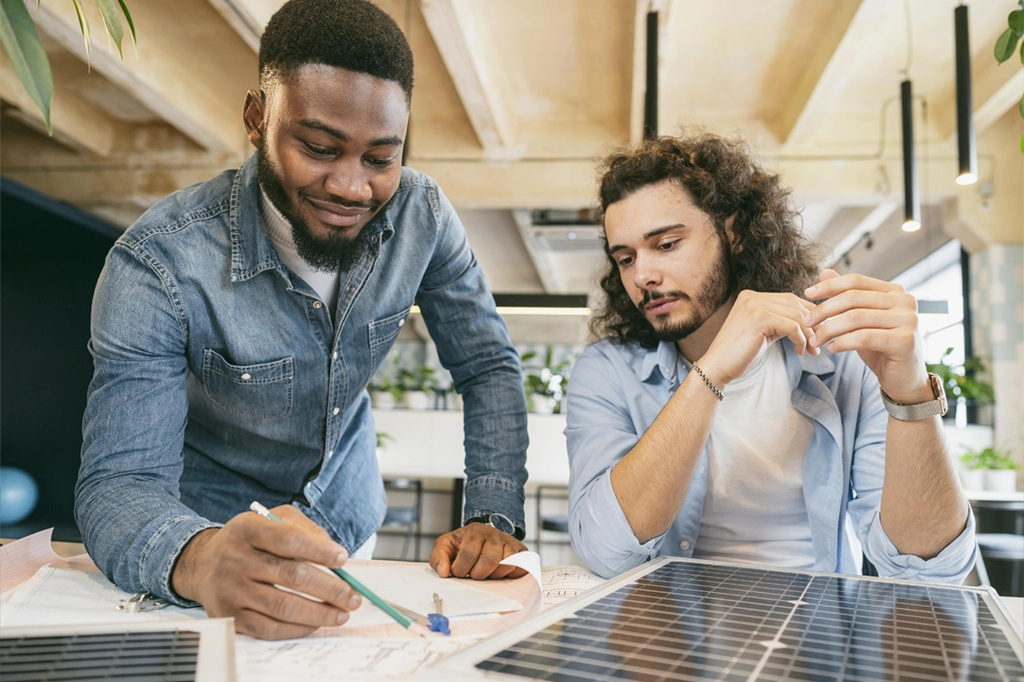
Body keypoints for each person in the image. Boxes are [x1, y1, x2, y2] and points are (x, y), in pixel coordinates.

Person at [76, 0, 529, 640]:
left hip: (348, 525)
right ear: (258, 119)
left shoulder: (422, 217)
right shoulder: (158, 265)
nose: (350, 186)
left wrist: (494, 514)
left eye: (379, 158)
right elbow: (118, 486)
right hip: (212, 552)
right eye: (319, 148)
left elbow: (486, 366)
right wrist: (199, 559)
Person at [566, 133, 975, 583]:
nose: (643, 275)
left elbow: (930, 570)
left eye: (666, 245)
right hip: (666, 638)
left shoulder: (843, 358)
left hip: (818, 632)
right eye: (625, 258)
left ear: (733, 232)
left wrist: (910, 392)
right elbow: (605, 552)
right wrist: (713, 369)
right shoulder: (606, 370)